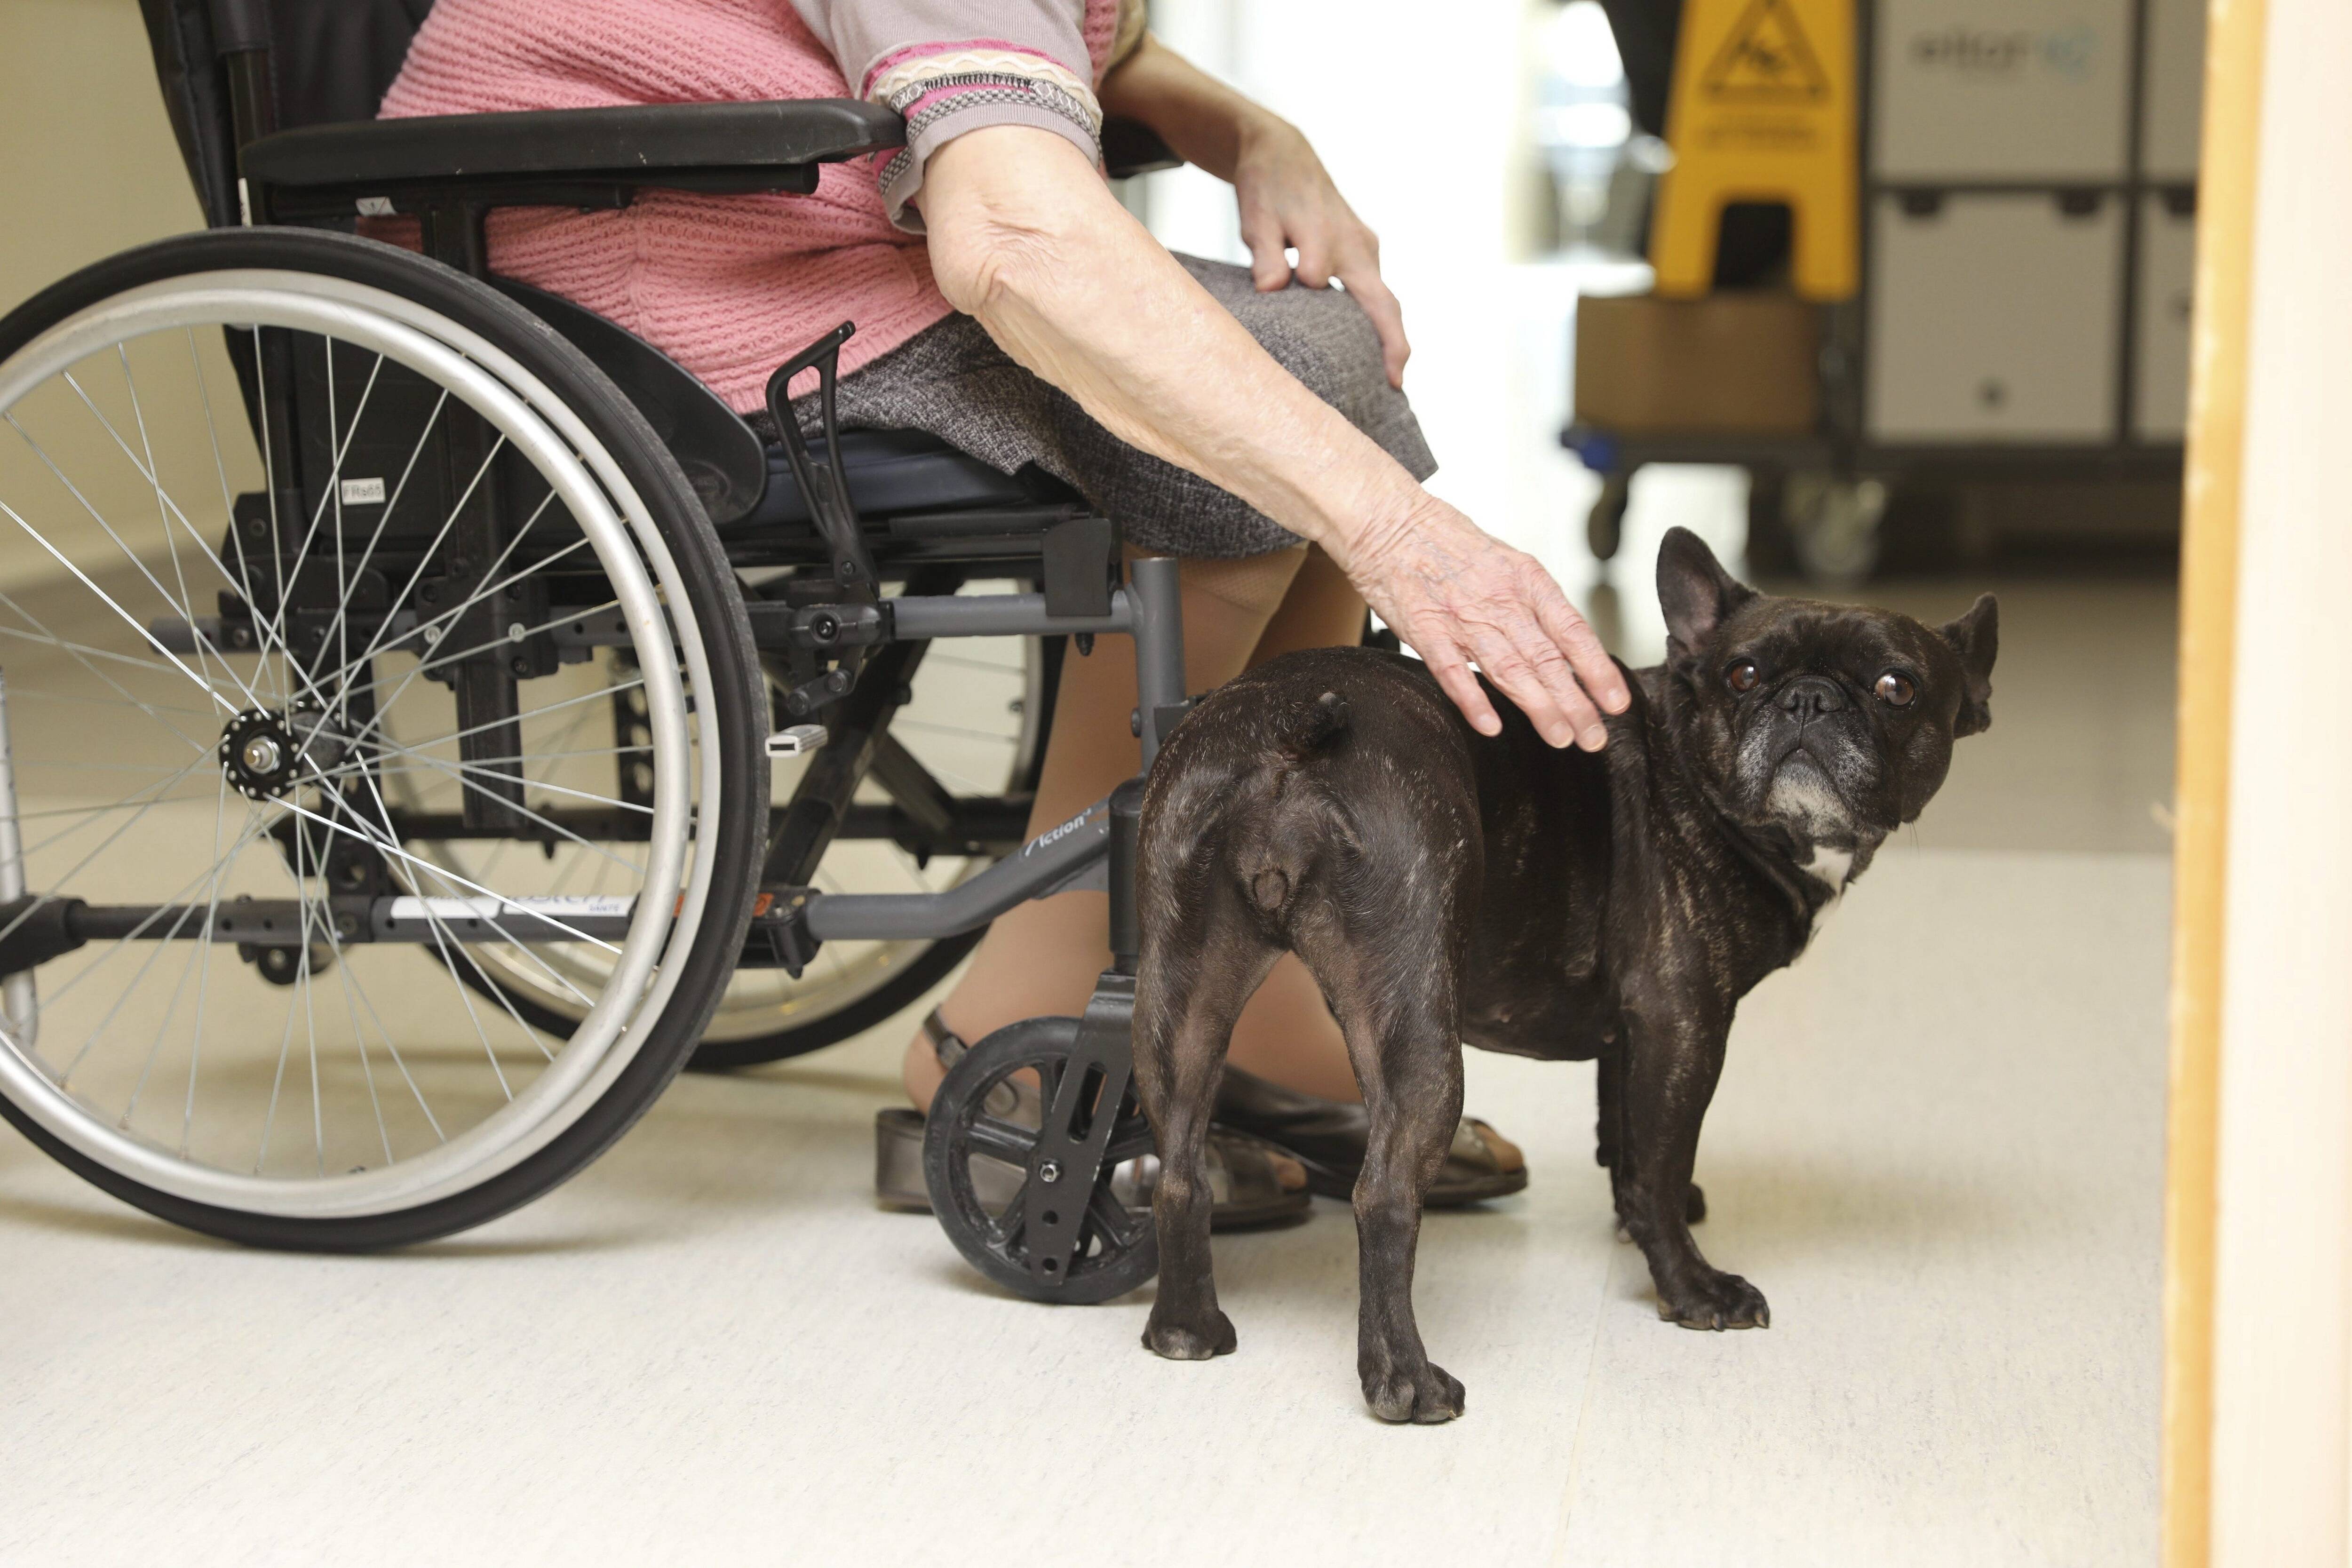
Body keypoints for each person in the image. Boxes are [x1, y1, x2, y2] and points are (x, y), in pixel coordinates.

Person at [379, 0, 1630, 1222]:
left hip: (756, 229)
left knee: (1312, 355)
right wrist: (1398, 532)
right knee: (1256, 405)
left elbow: (1084, 31)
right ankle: (1012, 1020)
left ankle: (1251, 995)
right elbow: (1010, 240)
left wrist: (1254, 133)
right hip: (648, 298)